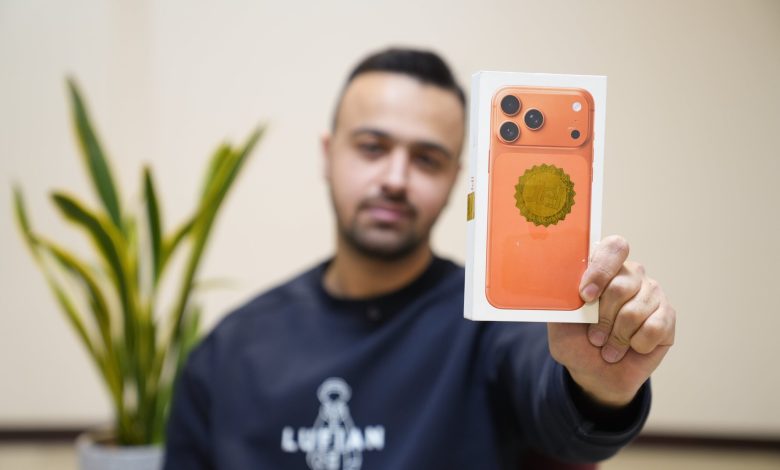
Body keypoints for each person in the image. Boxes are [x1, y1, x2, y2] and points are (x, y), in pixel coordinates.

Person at [163, 48, 676, 470]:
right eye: (372, 147)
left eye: (427, 159)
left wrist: (598, 386)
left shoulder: (491, 326)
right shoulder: (230, 351)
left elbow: (558, 410)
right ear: (328, 154)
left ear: (456, 180)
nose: (395, 179)